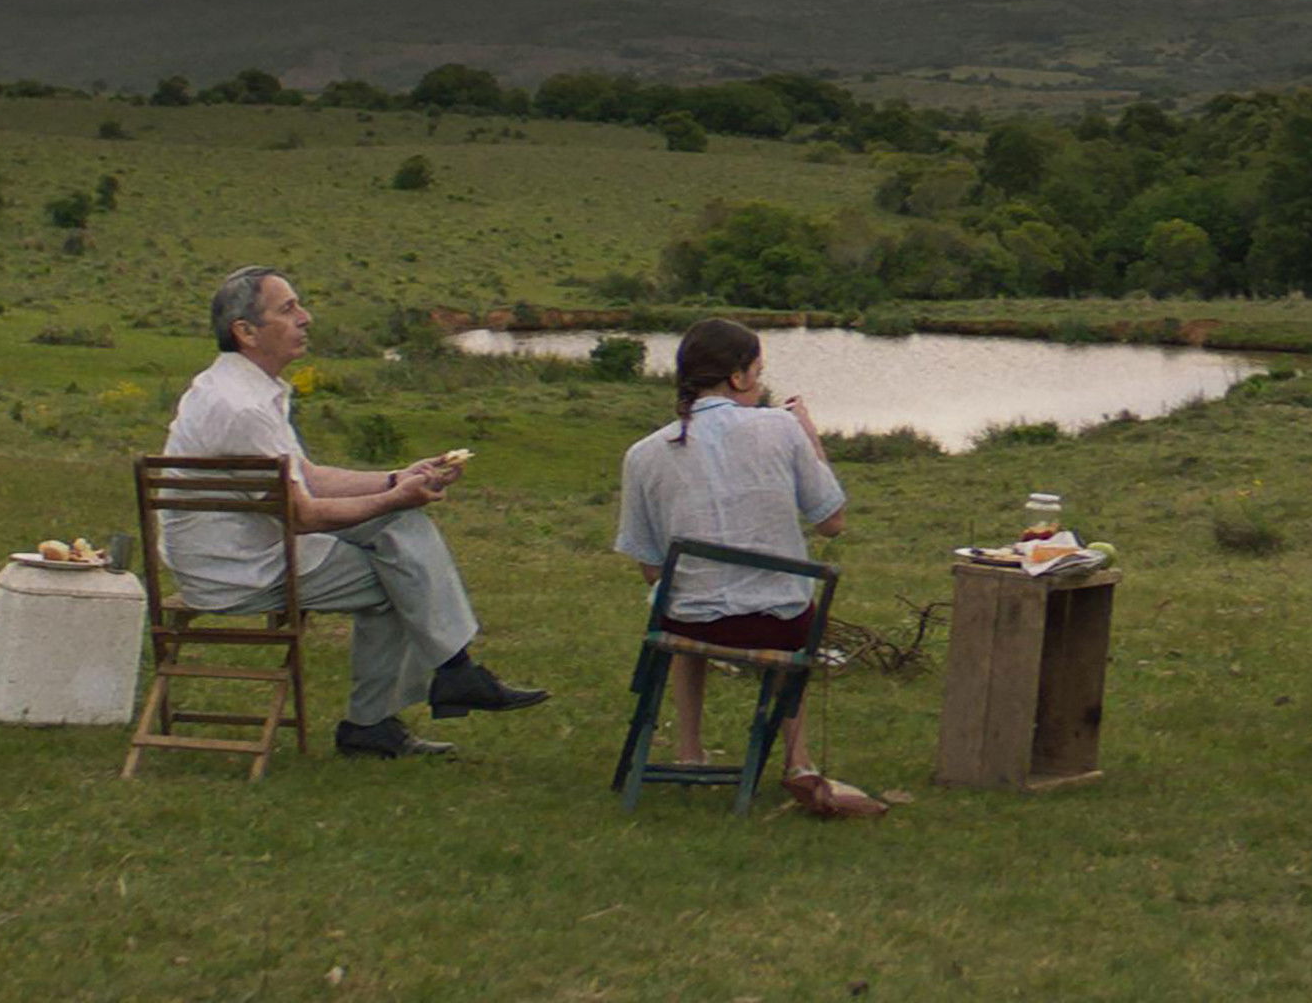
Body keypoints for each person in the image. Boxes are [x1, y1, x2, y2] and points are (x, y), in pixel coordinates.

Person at [161, 265, 548, 759]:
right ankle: (405, 702)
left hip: (234, 550)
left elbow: (309, 477)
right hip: (237, 569)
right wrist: (395, 498)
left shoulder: (235, 390)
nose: (306, 317)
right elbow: (302, 514)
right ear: (246, 331)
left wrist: (397, 478)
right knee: (399, 571)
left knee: (400, 535)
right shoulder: (243, 409)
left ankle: (440, 682)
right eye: (288, 309)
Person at [615, 318, 885, 818]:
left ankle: (689, 750)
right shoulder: (781, 427)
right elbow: (832, 522)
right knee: (785, 610)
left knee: (679, 600)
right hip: (778, 624)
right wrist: (810, 435)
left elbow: (651, 568)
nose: (760, 385)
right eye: (758, 374)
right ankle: (799, 760)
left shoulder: (643, 454)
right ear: (738, 378)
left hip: (686, 622)